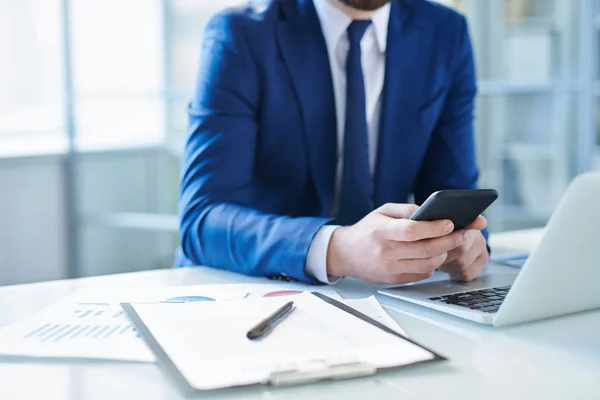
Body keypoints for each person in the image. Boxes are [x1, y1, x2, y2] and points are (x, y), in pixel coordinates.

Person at [177, 0, 490, 285]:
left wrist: (463, 242)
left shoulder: (445, 34)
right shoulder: (242, 34)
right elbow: (203, 219)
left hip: (389, 299)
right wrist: (339, 249)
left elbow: (454, 194)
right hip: (250, 291)